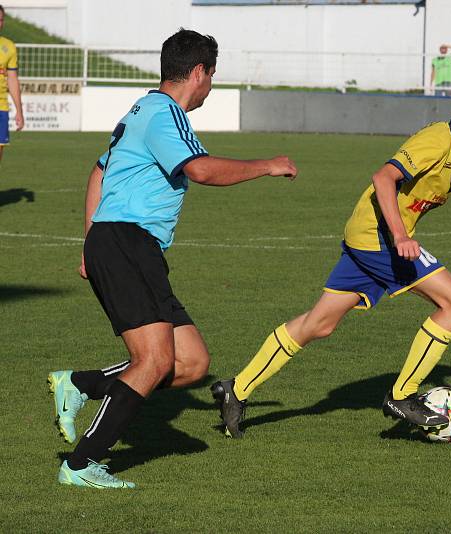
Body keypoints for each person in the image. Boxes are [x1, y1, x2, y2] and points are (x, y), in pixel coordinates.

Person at [48, 29, 298, 489]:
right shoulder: (166, 113)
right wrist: (266, 165)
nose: (210, 87)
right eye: (212, 76)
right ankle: (81, 464)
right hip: (128, 243)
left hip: (125, 245)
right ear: (199, 72)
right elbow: (200, 170)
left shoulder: (141, 109)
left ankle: (81, 384)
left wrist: (90, 240)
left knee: (191, 363)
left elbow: (99, 170)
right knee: (153, 361)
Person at [211, 74, 451, 439]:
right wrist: (401, 235)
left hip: (369, 236)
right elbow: (383, 178)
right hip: (378, 237)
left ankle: (236, 389)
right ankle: (402, 396)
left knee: (319, 323)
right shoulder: (435, 141)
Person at [0, 5, 24, 166]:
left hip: (1, 107)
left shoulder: (8, 46)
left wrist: (19, 111)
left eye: (1, 20)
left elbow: (13, 79)